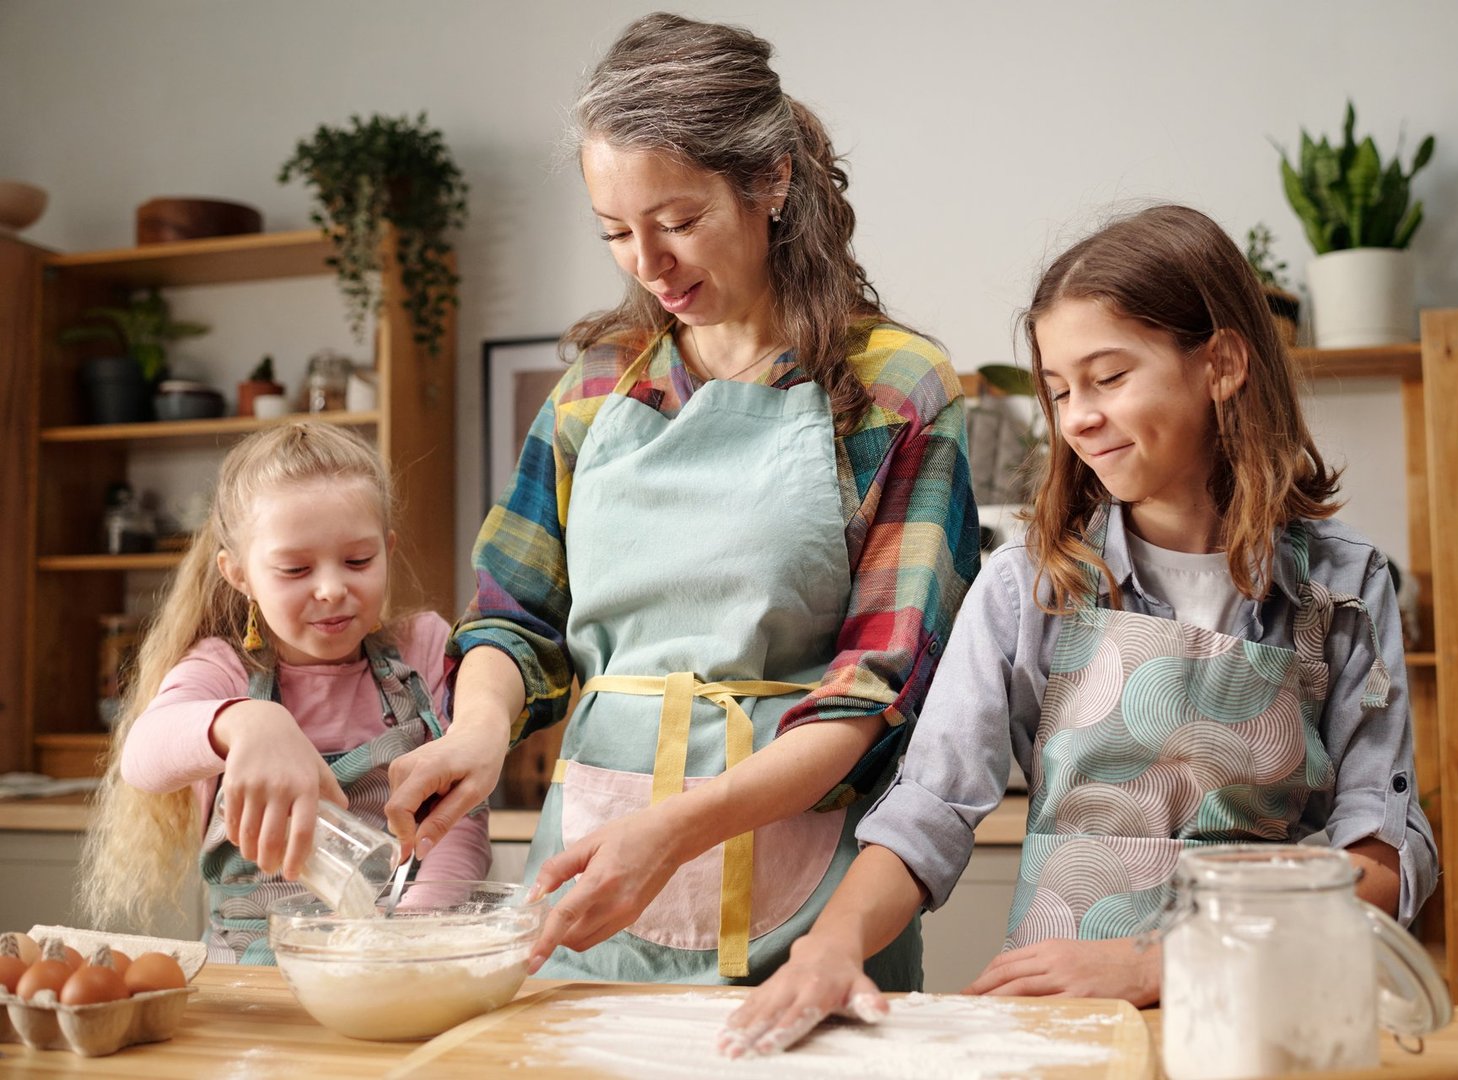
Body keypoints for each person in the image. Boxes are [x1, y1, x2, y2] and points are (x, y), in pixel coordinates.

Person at [721, 204, 1438, 1056]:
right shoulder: (1028, 585)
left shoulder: (1344, 588)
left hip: (1265, 1024)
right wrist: (831, 944)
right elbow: (932, 805)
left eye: (1108, 378)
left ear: (1223, 365)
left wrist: (1154, 963)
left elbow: (1380, 858)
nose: (1078, 418)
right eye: (1060, 391)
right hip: (1055, 1029)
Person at [382, 12, 978, 990]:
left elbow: (878, 686)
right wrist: (480, 734)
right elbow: (514, 617)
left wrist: (671, 831)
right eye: (616, 231)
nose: (648, 265)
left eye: (679, 221)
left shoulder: (895, 392)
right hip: (588, 883)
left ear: (772, 181)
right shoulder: (593, 390)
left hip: (809, 903)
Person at [80, 422, 491, 963]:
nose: (331, 588)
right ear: (239, 574)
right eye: (295, 568)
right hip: (252, 984)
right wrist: (247, 723)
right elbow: (142, 755)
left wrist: (410, 937)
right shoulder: (222, 670)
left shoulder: (423, 647)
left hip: (406, 961)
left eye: (358, 561)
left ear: (387, 550)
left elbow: (457, 818)